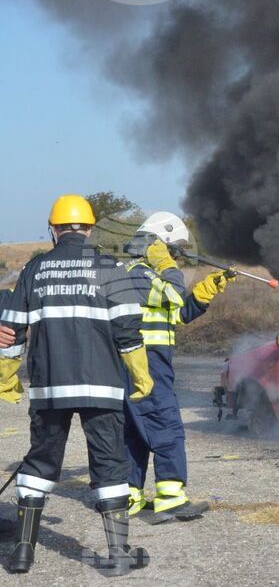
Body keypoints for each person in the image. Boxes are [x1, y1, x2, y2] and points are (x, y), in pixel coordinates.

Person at [0, 195, 153, 575]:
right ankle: (118, 556)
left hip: (50, 389)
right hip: (101, 388)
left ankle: (22, 554)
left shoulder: (35, 269)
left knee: (39, 463)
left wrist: (7, 380)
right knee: (109, 465)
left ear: (53, 229)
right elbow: (129, 331)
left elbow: (11, 330)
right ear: (88, 228)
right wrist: (140, 377)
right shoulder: (109, 267)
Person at [121, 212, 234, 523]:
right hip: (147, 366)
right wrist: (168, 267)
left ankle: (129, 496)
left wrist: (206, 290)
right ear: (157, 244)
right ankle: (171, 498)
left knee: (135, 432)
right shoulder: (138, 274)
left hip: (143, 364)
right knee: (167, 427)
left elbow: (177, 313)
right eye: (173, 249)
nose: (176, 256)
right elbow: (171, 295)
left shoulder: (145, 275)